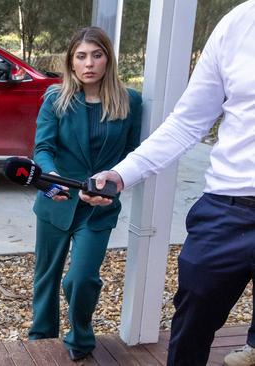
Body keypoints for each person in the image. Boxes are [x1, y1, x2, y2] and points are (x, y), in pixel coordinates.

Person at [79, 1, 255, 365]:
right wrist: (124, 172)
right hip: (228, 206)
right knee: (192, 321)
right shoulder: (238, 24)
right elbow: (188, 121)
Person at [29, 26, 142, 361]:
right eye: (81, 56)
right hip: (57, 200)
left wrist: (112, 184)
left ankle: (80, 337)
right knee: (46, 279)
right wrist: (54, 178)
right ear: (71, 62)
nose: (89, 63)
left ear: (108, 59)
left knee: (81, 279)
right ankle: (40, 339)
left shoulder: (129, 101)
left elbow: (133, 155)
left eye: (96, 55)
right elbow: (43, 148)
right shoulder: (55, 100)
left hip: (99, 206)